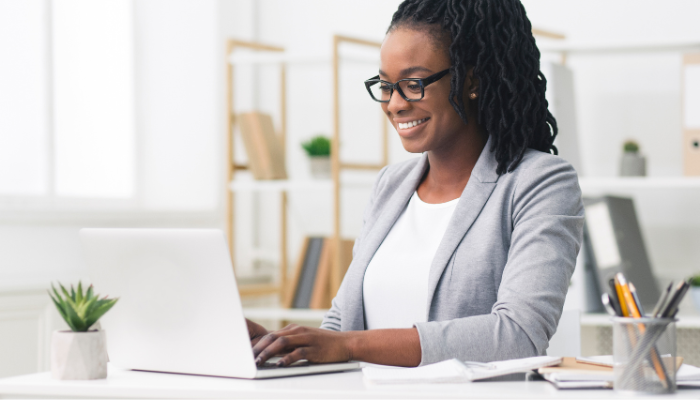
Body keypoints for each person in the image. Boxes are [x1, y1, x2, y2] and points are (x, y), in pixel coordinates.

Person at [246, 0, 584, 368]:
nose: (394, 104)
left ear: (471, 79)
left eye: (412, 83)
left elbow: (519, 335)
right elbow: (341, 327)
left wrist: (348, 345)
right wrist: (279, 346)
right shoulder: (390, 185)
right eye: (386, 85)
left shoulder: (539, 183)